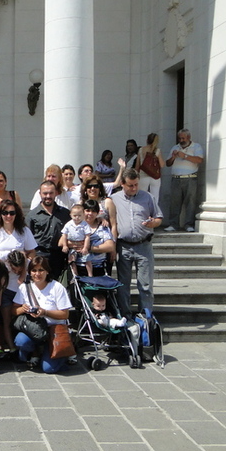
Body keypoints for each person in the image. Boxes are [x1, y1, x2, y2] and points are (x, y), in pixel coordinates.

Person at [0, 200, 38, 354]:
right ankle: (6, 347)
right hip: (1, 282)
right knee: (3, 318)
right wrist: (7, 256)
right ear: (0, 214)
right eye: (5, 212)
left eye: (12, 213)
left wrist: (22, 270)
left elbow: (32, 253)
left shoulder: (24, 231)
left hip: (21, 282)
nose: (8, 216)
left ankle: (25, 346)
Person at [111, 168, 163, 317]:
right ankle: (125, 316)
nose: (134, 188)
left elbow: (158, 217)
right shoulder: (114, 199)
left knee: (145, 285)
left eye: (136, 184)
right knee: (123, 285)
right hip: (123, 245)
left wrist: (154, 223)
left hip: (144, 245)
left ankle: (145, 317)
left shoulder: (147, 197)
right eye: (130, 185)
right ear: (122, 184)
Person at [12, 256, 75, 373]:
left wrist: (45, 312)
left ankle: (62, 353)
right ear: (29, 272)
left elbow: (65, 314)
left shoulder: (57, 287)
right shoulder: (24, 287)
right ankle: (36, 351)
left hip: (54, 329)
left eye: (41, 270)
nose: (37, 274)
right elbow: (13, 311)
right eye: (34, 270)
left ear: (47, 271)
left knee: (49, 369)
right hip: (34, 329)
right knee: (21, 341)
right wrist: (22, 309)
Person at [28, 180, 71, 280]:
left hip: (59, 256)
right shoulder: (32, 215)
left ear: (56, 193)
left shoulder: (65, 213)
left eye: (51, 193)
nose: (48, 196)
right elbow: (27, 238)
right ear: (40, 194)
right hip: (39, 256)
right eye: (45, 193)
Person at [165, 128, 204, 232]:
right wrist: (173, 157)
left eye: (183, 138)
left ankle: (189, 225)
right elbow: (167, 164)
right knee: (174, 203)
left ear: (188, 137)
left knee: (190, 202)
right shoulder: (175, 147)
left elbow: (199, 160)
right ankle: (173, 224)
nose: (181, 140)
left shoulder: (196, 146)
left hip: (190, 178)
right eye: (180, 138)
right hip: (176, 179)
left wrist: (185, 156)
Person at [80, 199, 116, 276]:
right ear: (83, 211)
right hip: (80, 267)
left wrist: (89, 248)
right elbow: (67, 242)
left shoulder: (103, 227)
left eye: (93, 211)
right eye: (87, 210)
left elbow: (110, 246)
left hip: (99, 267)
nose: (90, 213)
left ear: (97, 213)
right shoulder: (76, 225)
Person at [60, 204, 93, 276]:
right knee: (71, 260)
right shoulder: (68, 224)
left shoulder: (85, 224)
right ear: (71, 215)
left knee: (87, 259)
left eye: (79, 215)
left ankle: (90, 275)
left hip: (82, 245)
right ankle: (75, 275)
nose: (77, 218)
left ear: (83, 215)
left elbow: (87, 236)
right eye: (75, 215)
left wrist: (85, 248)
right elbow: (64, 235)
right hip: (72, 245)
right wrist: (65, 246)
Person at [136, 133, 165, 202]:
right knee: (155, 197)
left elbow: (137, 166)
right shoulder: (157, 151)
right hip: (154, 177)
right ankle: (154, 211)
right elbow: (162, 165)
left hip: (143, 175)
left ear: (147, 140)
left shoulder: (141, 150)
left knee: (141, 197)